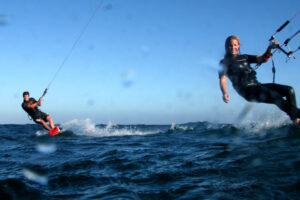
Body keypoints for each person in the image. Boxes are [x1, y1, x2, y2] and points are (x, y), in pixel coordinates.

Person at [219, 35, 300, 124]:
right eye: (230, 45)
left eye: (235, 45)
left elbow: (263, 59)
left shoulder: (245, 57)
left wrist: (270, 48)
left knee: (289, 90)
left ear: (238, 45)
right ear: (226, 47)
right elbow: (223, 78)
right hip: (247, 91)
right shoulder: (224, 62)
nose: (233, 47)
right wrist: (224, 92)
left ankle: (295, 120)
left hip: (257, 86)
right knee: (275, 96)